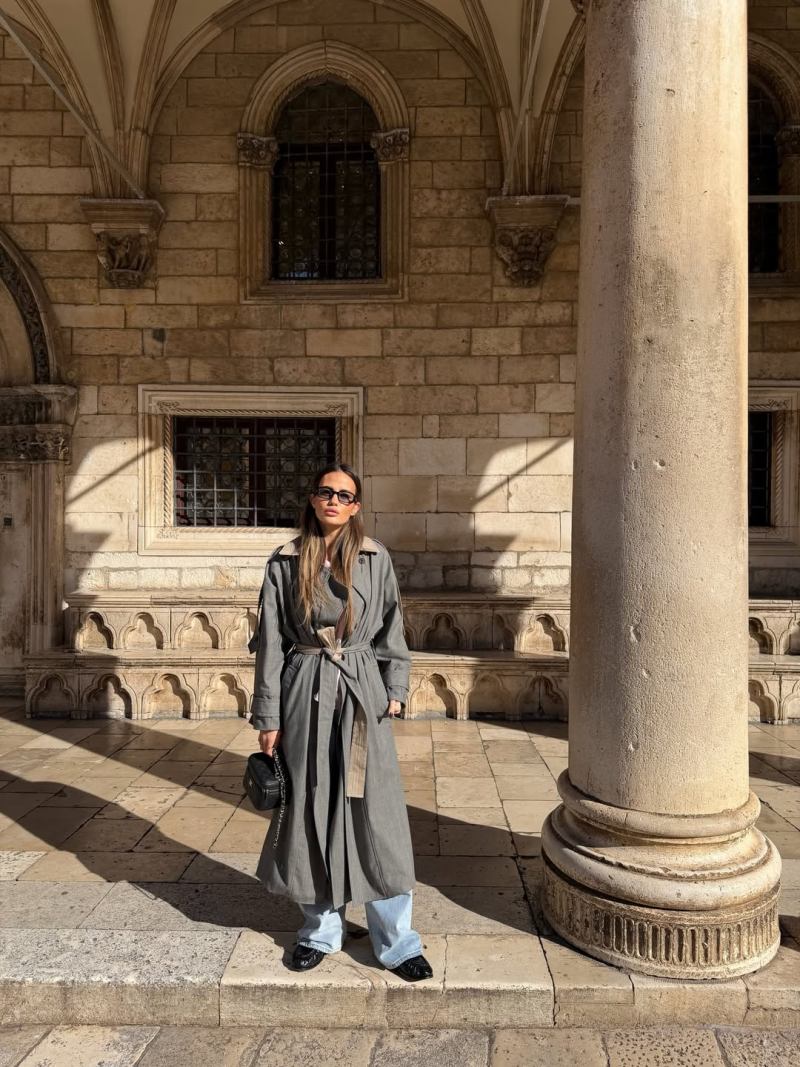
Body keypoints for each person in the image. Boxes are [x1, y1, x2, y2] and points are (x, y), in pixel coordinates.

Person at [249, 463, 432, 981]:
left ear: (355, 507)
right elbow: (270, 643)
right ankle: (320, 931)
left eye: (344, 495)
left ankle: (395, 942)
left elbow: (392, 626)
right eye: (325, 492)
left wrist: (395, 687)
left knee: (377, 813)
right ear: (312, 500)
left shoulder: (375, 557)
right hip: (304, 689)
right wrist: (268, 714)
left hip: (361, 686)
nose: (333, 500)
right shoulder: (285, 561)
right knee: (310, 808)